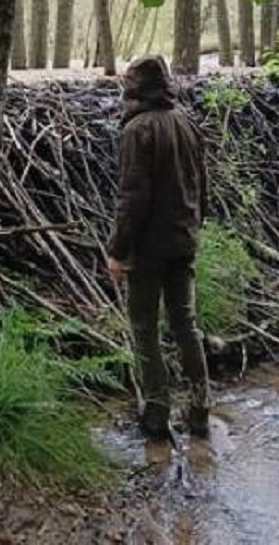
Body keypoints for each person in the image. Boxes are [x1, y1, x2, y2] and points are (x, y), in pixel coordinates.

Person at [106, 55, 211, 440]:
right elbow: (201, 185)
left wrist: (118, 251)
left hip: (150, 249)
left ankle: (156, 415)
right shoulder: (185, 122)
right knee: (186, 325)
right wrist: (196, 225)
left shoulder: (138, 130)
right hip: (184, 240)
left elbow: (131, 198)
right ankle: (200, 410)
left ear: (138, 86)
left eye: (129, 80)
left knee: (145, 328)